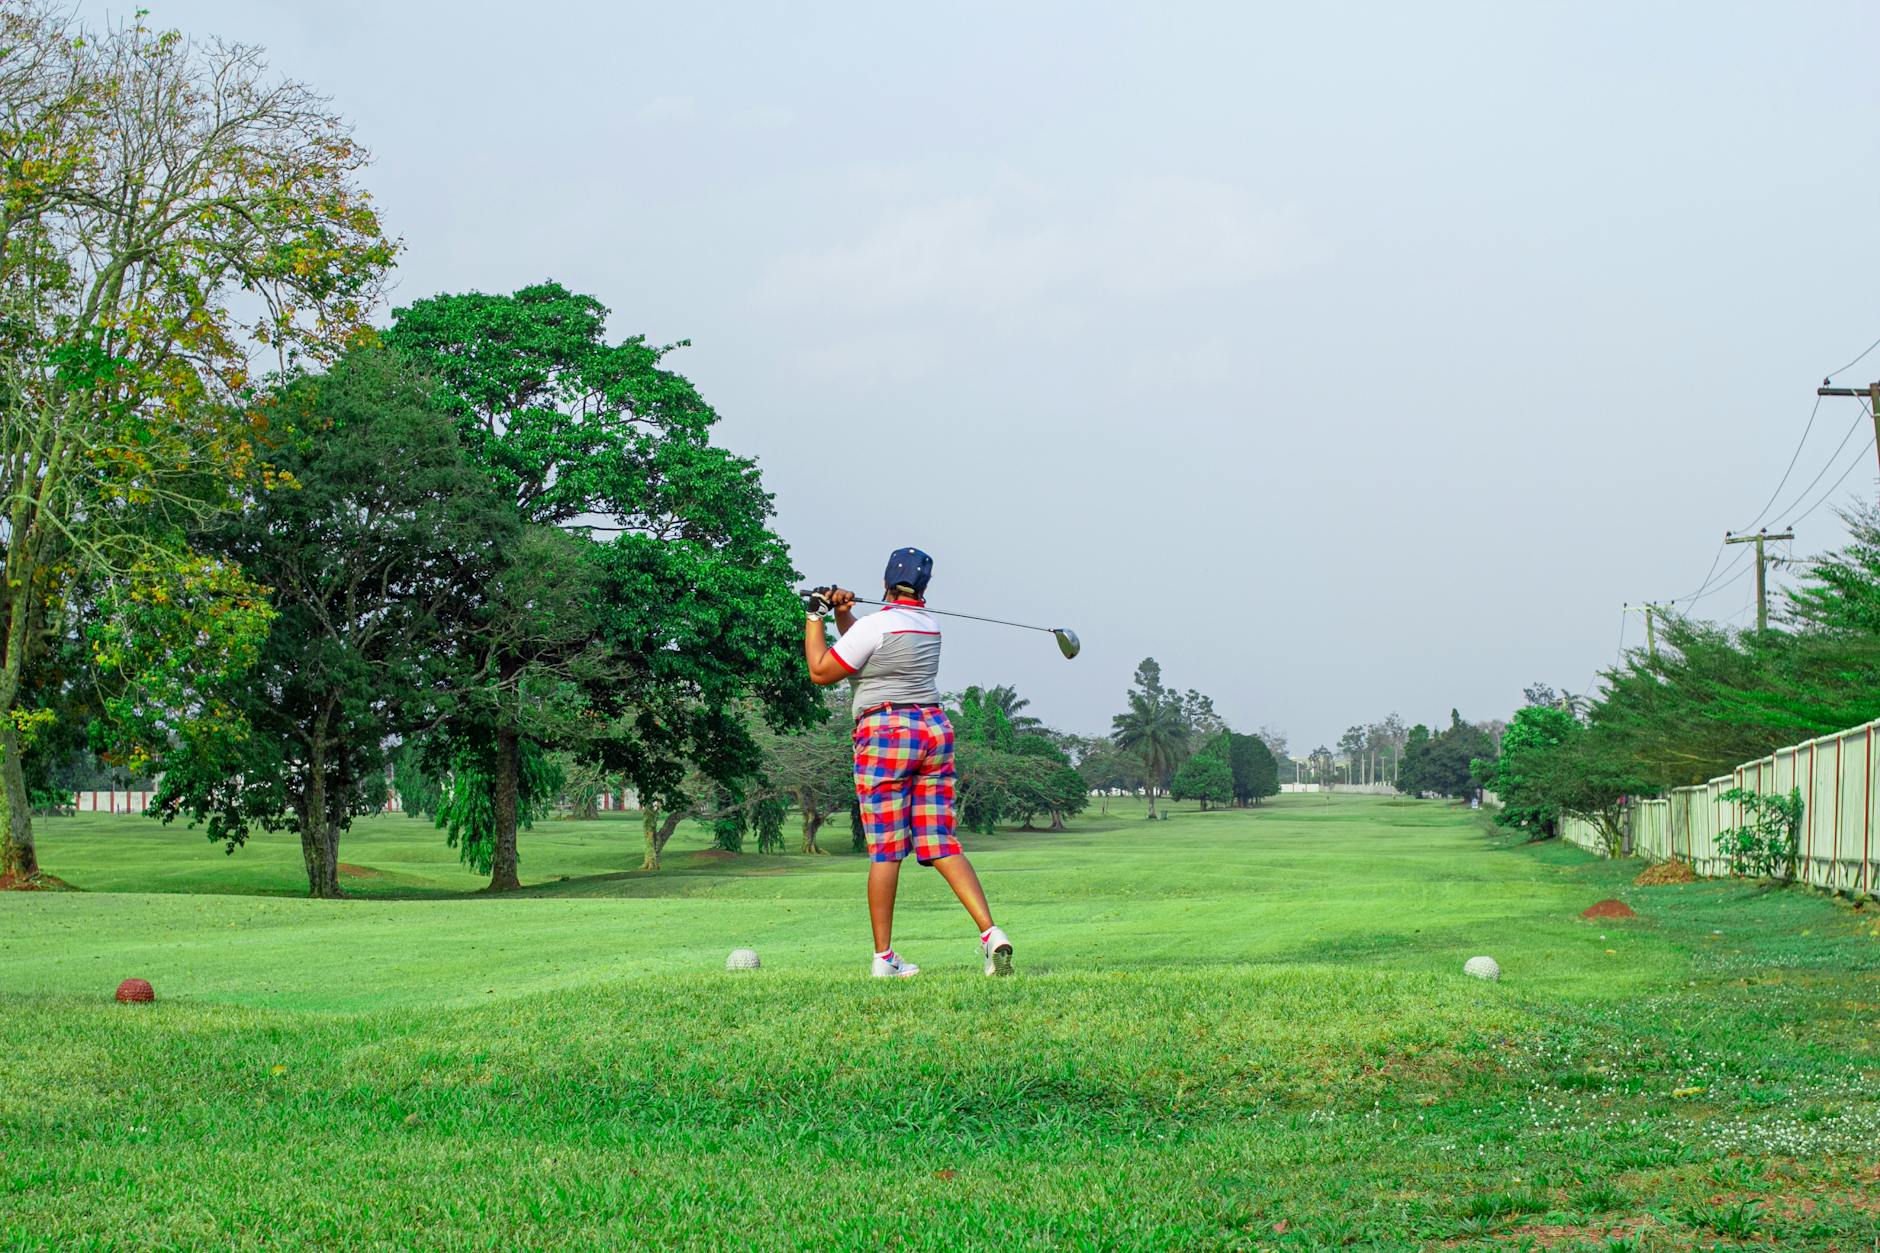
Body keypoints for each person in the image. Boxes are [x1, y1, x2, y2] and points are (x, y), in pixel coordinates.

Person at [802, 547, 1014, 978]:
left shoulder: (876, 626)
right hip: (933, 729)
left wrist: (815, 615)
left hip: (887, 733)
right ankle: (991, 934)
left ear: (885, 581)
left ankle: (884, 958)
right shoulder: (930, 626)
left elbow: (822, 670)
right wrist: (844, 613)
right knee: (940, 842)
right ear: (925, 587)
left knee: (886, 850)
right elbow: (867, 649)